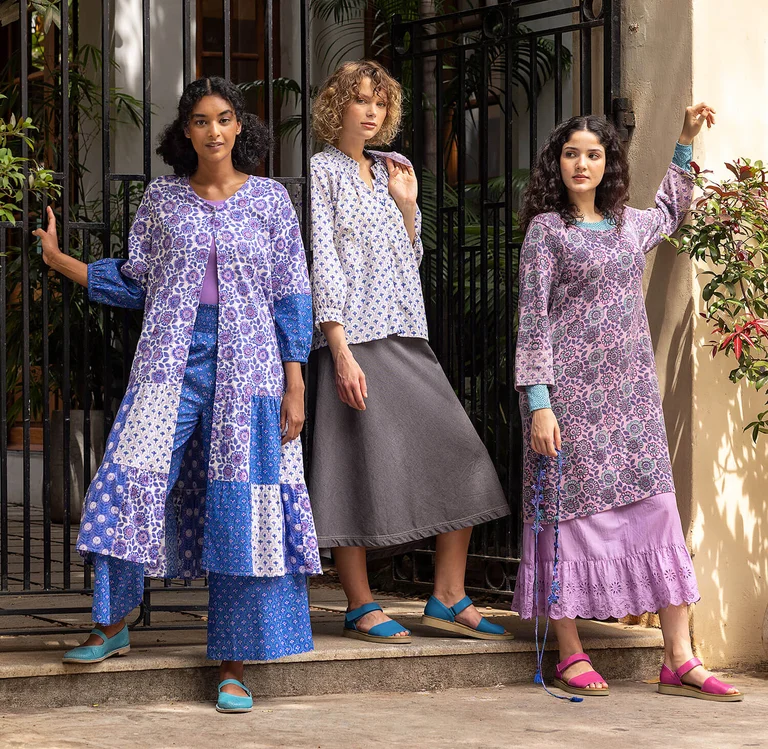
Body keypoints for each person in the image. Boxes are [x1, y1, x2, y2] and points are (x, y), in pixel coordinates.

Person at [33, 76, 321, 713]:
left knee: (241, 509)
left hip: (251, 373)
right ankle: (113, 624)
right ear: (185, 132)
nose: (213, 131)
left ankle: (233, 666)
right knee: (127, 482)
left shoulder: (272, 201)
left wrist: (295, 380)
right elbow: (137, 282)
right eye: (199, 120)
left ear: (240, 126)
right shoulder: (162, 202)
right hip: (168, 362)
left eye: (223, 119)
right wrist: (59, 262)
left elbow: (292, 294)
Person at [513, 104, 743, 701]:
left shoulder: (626, 224)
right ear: (556, 164)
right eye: (571, 154)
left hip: (632, 402)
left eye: (594, 154)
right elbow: (532, 321)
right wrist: (539, 403)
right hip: (570, 402)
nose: (582, 164)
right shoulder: (546, 232)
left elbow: (670, 210)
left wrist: (684, 142)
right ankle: (569, 652)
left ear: (609, 163)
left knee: (658, 514)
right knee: (568, 522)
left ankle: (678, 658)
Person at [307, 60, 512, 644]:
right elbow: (325, 260)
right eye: (359, 101)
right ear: (337, 107)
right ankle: (359, 603)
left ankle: (447, 595)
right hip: (354, 340)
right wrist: (339, 350)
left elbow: (410, 257)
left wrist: (404, 204)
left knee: (462, 455)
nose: (370, 112)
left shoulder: (395, 168)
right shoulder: (324, 171)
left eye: (379, 102)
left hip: (406, 333)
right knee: (350, 465)